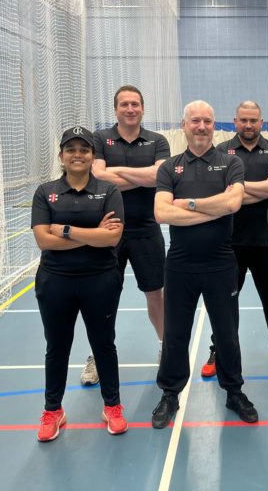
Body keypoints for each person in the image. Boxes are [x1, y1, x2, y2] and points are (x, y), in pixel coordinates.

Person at [151, 100, 258, 428]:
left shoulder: (231, 163)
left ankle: (234, 390)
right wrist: (214, 207)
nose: (201, 126)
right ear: (183, 125)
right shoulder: (169, 167)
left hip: (221, 263)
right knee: (176, 334)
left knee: (227, 333)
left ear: (216, 126)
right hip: (180, 265)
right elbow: (161, 213)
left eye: (207, 121)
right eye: (194, 121)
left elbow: (234, 203)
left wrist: (190, 204)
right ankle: (170, 394)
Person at [30, 126, 128, 442]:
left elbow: (112, 236)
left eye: (83, 149)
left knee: (103, 344)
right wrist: (91, 236)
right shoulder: (45, 192)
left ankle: (112, 406)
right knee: (57, 347)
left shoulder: (108, 191)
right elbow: (43, 240)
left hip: (100, 280)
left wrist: (67, 231)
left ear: (92, 156)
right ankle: (52, 410)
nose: (77, 154)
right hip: (55, 281)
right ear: (61, 155)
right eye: (71, 149)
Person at [79, 85, 170, 385]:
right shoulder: (99, 139)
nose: (130, 109)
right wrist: (141, 175)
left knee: (156, 293)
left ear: (143, 108)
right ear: (115, 108)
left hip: (147, 228)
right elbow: (97, 176)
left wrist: (115, 174)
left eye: (135, 104)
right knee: (102, 297)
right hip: (108, 230)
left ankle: (165, 349)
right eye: (124, 104)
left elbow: (159, 176)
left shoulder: (158, 141)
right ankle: (97, 355)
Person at [199, 100, 268, 378]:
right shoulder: (221, 150)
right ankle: (219, 349)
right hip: (229, 243)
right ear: (235, 122)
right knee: (224, 303)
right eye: (243, 120)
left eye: (254, 120)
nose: (249, 125)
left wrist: (236, 189)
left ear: (262, 122)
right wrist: (263, 188)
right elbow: (215, 191)